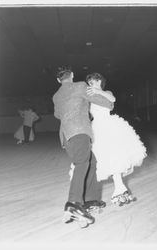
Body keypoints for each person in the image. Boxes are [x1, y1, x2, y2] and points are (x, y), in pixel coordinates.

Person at [70, 73, 147, 206]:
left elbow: (113, 99)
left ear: (99, 81)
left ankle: (119, 189)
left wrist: (98, 91)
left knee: (116, 157)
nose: (90, 84)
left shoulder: (106, 92)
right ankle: (111, 191)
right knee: (99, 159)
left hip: (111, 127)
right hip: (96, 129)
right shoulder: (89, 95)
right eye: (88, 82)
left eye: (92, 81)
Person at [52, 66, 114, 225]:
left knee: (91, 162)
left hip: (66, 136)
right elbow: (108, 104)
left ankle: (90, 200)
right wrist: (100, 94)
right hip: (79, 131)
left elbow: (57, 114)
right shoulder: (80, 86)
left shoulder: (56, 95)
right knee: (82, 163)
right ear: (72, 75)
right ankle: (73, 203)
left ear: (58, 80)